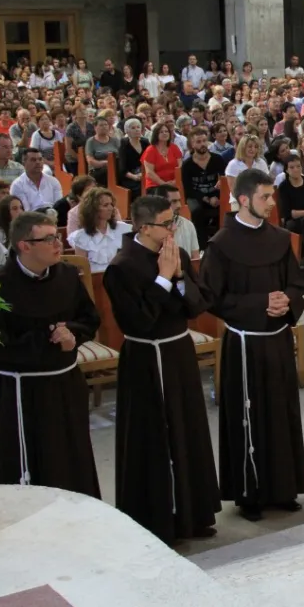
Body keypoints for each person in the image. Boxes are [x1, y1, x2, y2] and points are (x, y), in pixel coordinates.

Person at [103, 196, 220, 544]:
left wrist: (181, 276)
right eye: (166, 223)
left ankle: (193, 513)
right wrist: (164, 280)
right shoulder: (121, 267)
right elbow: (137, 320)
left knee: (188, 429)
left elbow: (197, 305)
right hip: (145, 358)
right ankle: (158, 519)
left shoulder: (177, 255)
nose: (173, 228)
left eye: (174, 221)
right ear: (143, 227)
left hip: (178, 352)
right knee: (153, 437)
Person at [200, 168, 304, 522]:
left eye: (272, 195)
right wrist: (261, 302)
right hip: (244, 343)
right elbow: (212, 298)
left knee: (282, 411)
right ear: (244, 199)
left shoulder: (279, 239)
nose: (271, 202)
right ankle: (250, 492)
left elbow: (296, 281)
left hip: (277, 338)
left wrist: (285, 301)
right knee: (248, 416)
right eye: (264, 197)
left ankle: (284, 487)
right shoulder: (221, 244)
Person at [0, 212, 101, 496]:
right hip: (24, 391)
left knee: (72, 458)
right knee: (33, 466)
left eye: (57, 236)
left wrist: (72, 335)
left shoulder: (68, 275)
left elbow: (89, 319)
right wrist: (47, 339)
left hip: (65, 384)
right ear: (24, 245)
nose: (58, 243)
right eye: (48, 239)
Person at [68, 188, 133, 273]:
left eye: (111, 204)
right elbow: (81, 270)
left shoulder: (124, 229)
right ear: (93, 209)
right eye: (105, 205)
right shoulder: (81, 236)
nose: (111, 208)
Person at [10, 147, 62, 212]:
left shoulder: (53, 181)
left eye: (40, 159)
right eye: (33, 160)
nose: (38, 162)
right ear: (24, 163)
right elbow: (25, 211)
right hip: (30, 220)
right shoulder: (17, 185)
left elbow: (59, 207)